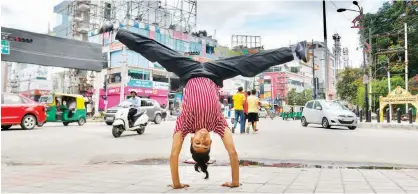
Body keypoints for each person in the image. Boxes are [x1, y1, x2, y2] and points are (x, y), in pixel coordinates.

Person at [98, 21, 308, 189]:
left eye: (197, 143)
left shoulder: (184, 125)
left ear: (191, 140)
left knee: (157, 51)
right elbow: (233, 154)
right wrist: (235, 182)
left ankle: (116, 31)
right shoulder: (218, 124)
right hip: (214, 71)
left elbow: (173, 155)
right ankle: (294, 51)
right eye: (205, 144)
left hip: (188, 70)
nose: (202, 140)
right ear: (210, 143)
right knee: (247, 66)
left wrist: (177, 184)